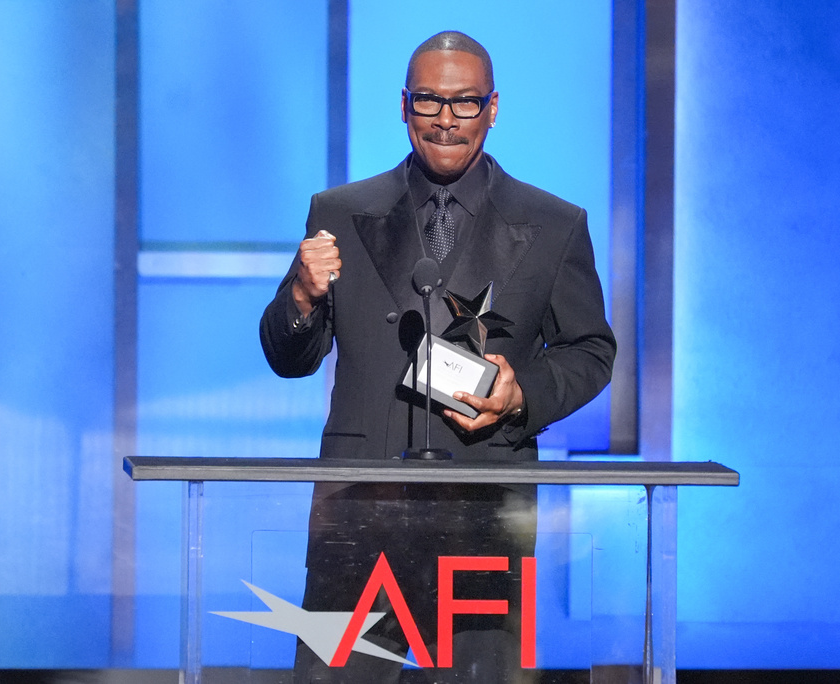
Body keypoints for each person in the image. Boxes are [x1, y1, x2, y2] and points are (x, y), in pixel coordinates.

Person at [261, 31, 616, 683]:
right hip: (358, 515)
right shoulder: (339, 212)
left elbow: (591, 350)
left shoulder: (553, 224)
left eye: (464, 102)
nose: (446, 119)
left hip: (483, 518)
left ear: (492, 108)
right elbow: (290, 358)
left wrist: (521, 394)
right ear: (404, 106)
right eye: (429, 100)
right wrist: (303, 296)